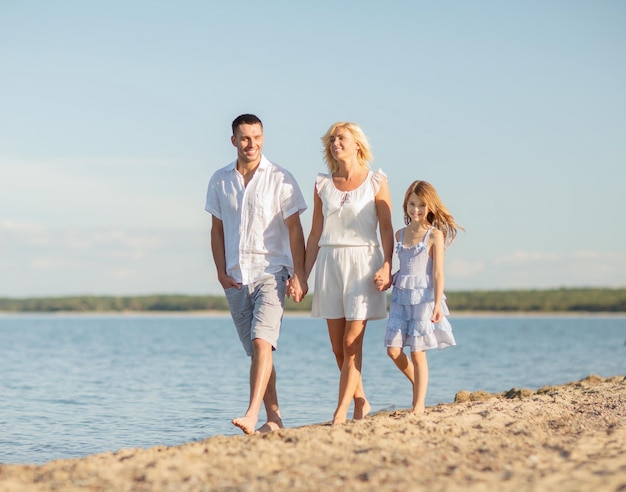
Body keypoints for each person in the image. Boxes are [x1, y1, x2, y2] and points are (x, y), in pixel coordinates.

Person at [205, 113, 308, 435]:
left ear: (264, 138)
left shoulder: (281, 178)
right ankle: (274, 418)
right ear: (234, 141)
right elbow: (216, 230)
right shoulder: (220, 180)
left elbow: (295, 230)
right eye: (245, 138)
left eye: (258, 137)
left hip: (271, 272)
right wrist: (221, 273)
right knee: (258, 350)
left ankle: (251, 414)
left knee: (263, 342)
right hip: (236, 276)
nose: (252, 144)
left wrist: (299, 274)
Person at [303, 121, 394, 426]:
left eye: (340, 138)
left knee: (352, 343)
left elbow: (385, 227)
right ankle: (360, 399)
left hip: (363, 262)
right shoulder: (321, 184)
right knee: (337, 346)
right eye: (331, 139)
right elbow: (315, 233)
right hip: (330, 262)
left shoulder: (376, 181)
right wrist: (302, 275)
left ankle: (339, 412)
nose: (334, 143)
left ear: (357, 144)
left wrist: (387, 265)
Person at [385, 180, 461, 414]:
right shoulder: (399, 234)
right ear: (405, 205)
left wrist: (437, 304)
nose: (415, 209)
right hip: (400, 296)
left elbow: (438, 272)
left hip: (423, 298)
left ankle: (418, 405)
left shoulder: (434, 235)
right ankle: (419, 384)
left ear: (429, 207)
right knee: (393, 350)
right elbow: (393, 265)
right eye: (411, 204)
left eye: (420, 205)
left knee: (418, 352)